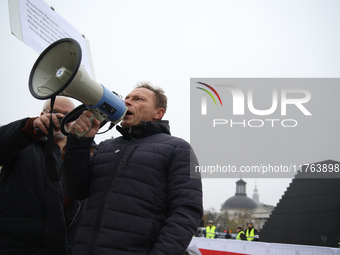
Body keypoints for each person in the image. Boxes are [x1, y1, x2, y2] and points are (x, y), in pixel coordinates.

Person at [62, 82, 203, 255]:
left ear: (158, 113)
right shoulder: (105, 146)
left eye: (138, 99)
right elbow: (76, 190)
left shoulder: (177, 148)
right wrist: (79, 142)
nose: (127, 102)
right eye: (126, 98)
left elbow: (186, 211)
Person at [0, 97, 83, 255]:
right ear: (42, 114)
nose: (61, 118)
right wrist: (29, 128)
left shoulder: (83, 155)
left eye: (69, 115)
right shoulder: (22, 142)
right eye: (55, 112)